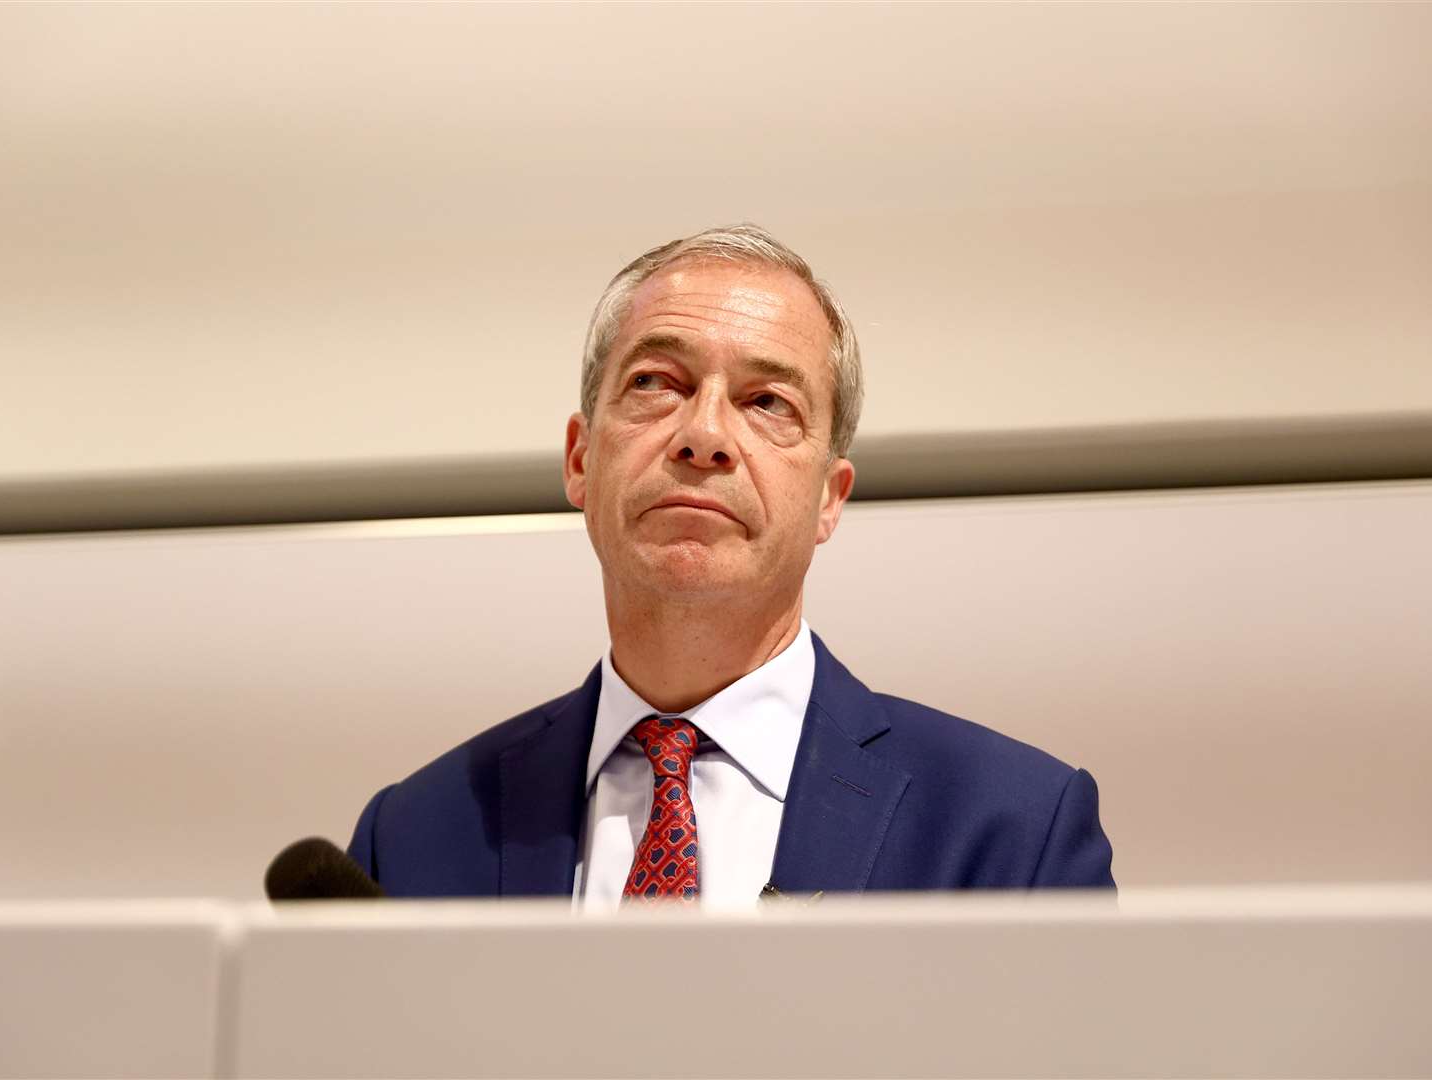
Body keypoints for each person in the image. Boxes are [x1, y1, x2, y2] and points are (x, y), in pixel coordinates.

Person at [348, 225, 1114, 907]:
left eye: (767, 401)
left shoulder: (1015, 833)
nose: (704, 433)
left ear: (828, 500)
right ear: (581, 459)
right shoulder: (414, 838)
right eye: (656, 383)